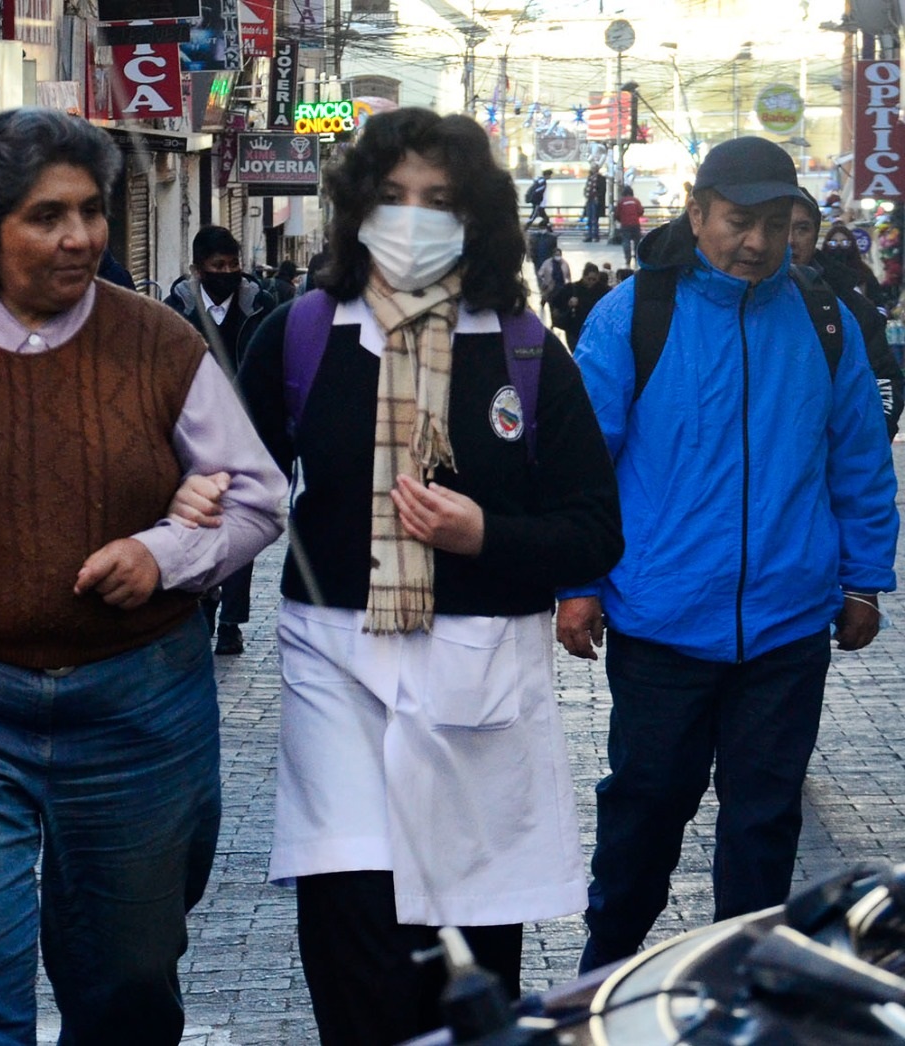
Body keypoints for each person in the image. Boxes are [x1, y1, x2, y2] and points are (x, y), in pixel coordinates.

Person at [0, 107, 288, 1042]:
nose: (79, 237)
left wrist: (165, 555)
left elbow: (257, 496)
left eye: (91, 210)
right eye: (47, 216)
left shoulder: (158, 343)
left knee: (129, 984)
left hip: (141, 702)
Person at [204, 107, 623, 1046]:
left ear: (476, 220)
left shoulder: (522, 350)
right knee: (355, 952)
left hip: (481, 691)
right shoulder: (302, 336)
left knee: (467, 970)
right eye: (392, 198)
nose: (413, 217)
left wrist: (487, 536)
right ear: (355, 210)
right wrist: (188, 516)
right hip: (337, 674)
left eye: (439, 200)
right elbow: (237, 481)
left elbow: (594, 529)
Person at [559, 135, 899, 974]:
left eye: (777, 224)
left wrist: (864, 579)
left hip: (787, 625)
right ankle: (606, 969)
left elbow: (857, 454)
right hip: (660, 618)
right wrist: (578, 583)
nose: (756, 242)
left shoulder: (825, 321)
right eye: (739, 221)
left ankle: (746, 988)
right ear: (697, 210)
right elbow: (583, 464)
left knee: (764, 824)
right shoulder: (635, 313)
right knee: (644, 812)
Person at [164, 224, 279, 655]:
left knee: (239, 521)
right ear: (198, 269)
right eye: (218, 266)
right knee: (198, 520)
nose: (227, 273)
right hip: (191, 434)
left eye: (233, 265)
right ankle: (204, 601)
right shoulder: (174, 309)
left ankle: (231, 619)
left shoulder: (260, 307)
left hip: (246, 432)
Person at [791, 188, 905, 438]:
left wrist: (869, 440)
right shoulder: (739, 297)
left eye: (802, 229)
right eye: (780, 226)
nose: (791, 240)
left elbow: (885, 379)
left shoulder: (847, 302)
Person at [823, 222, 888, 309]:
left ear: (852, 244)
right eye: (833, 243)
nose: (839, 246)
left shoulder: (864, 273)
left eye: (844, 242)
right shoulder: (819, 271)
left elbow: (878, 302)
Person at [548, 262, 608, 351]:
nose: (591, 282)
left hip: (596, 332)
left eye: (594, 279)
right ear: (583, 277)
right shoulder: (571, 288)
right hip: (574, 331)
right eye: (589, 279)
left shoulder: (604, 290)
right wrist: (568, 304)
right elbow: (555, 302)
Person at [536, 247, 571, 319]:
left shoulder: (565, 264)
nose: (558, 256)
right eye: (556, 254)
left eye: (559, 254)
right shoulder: (547, 263)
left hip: (561, 287)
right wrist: (544, 283)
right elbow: (540, 274)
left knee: (558, 305)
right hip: (550, 287)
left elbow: (568, 276)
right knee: (549, 302)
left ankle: (555, 320)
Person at [614, 185, 645, 266]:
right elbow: (641, 211)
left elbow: (616, 214)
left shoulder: (621, 202)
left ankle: (628, 259)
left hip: (625, 224)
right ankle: (637, 257)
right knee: (637, 242)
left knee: (626, 241)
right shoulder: (636, 200)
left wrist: (621, 220)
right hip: (635, 224)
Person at [583, 164, 609, 241]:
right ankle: (590, 235)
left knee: (594, 218)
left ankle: (595, 235)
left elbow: (602, 190)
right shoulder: (590, 178)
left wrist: (597, 197)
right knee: (590, 218)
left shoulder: (601, 178)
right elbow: (587, 188)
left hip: (596, 200)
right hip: (590, 199)